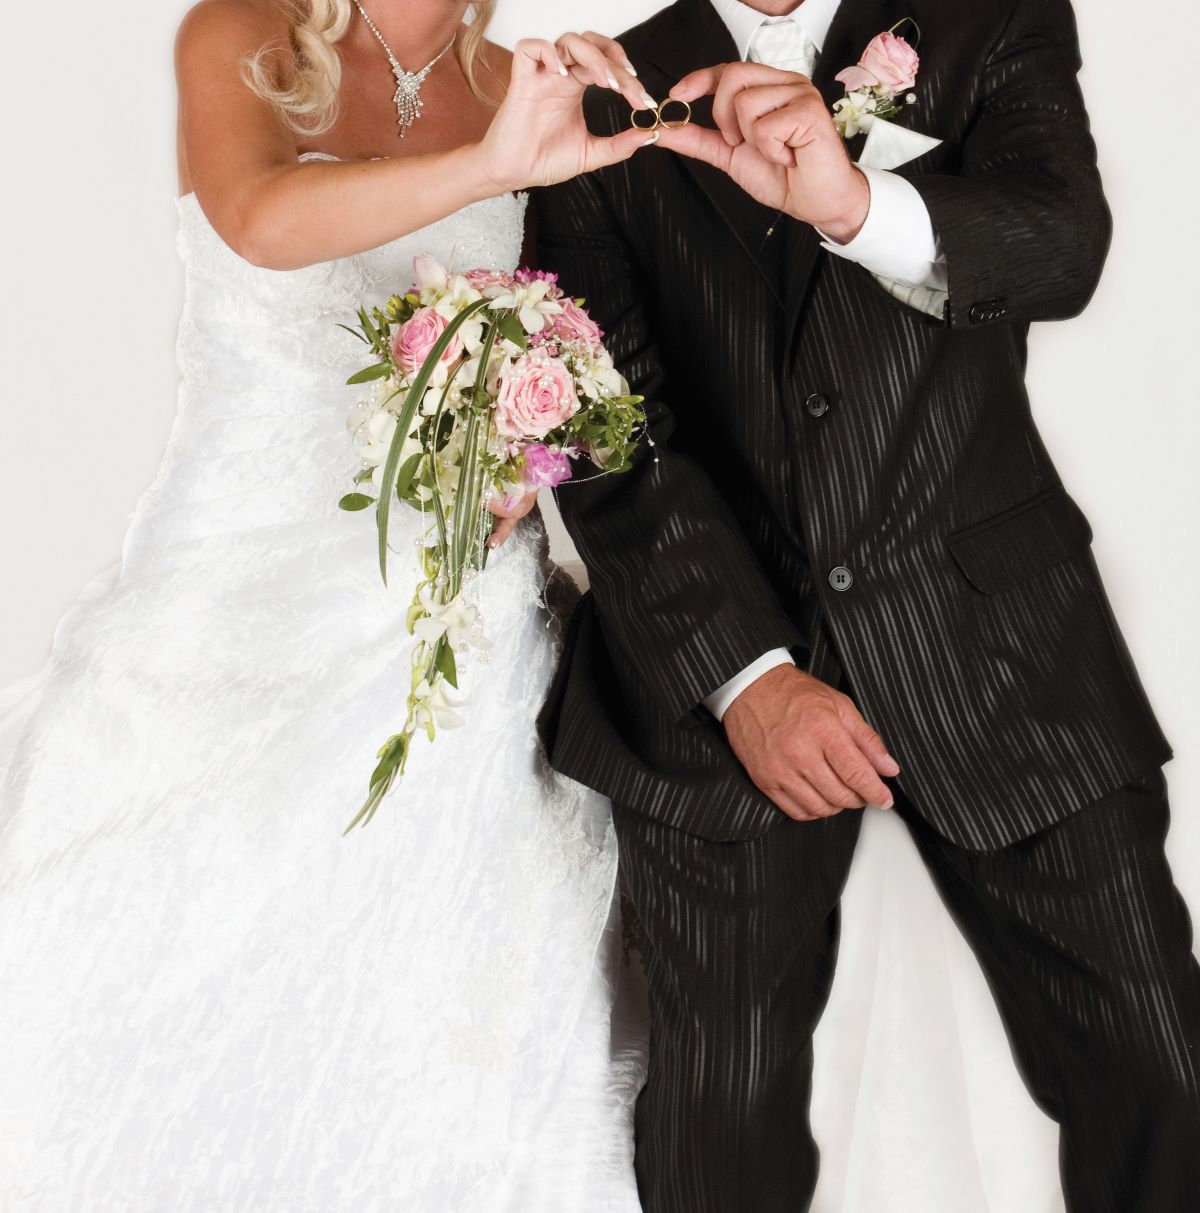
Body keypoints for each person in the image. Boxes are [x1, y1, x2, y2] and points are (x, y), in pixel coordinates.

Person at [535, 0, 1200, 1209]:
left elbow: (1063, 248)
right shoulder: (605, 91)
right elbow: (604, 429)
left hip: (999, 642)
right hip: (722, 666)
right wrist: (746, 678)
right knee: (715, 1121)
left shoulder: (993, 19)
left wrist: (853, 205)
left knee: (1165, 1070)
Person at [0, 2, 657, 1208]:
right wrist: (492, 163)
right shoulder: (236, 33)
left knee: (443, 994)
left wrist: (527, 451)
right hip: (234, 587)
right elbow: (256, 219)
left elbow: (542, 332)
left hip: (455, 605)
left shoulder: (515, 77)